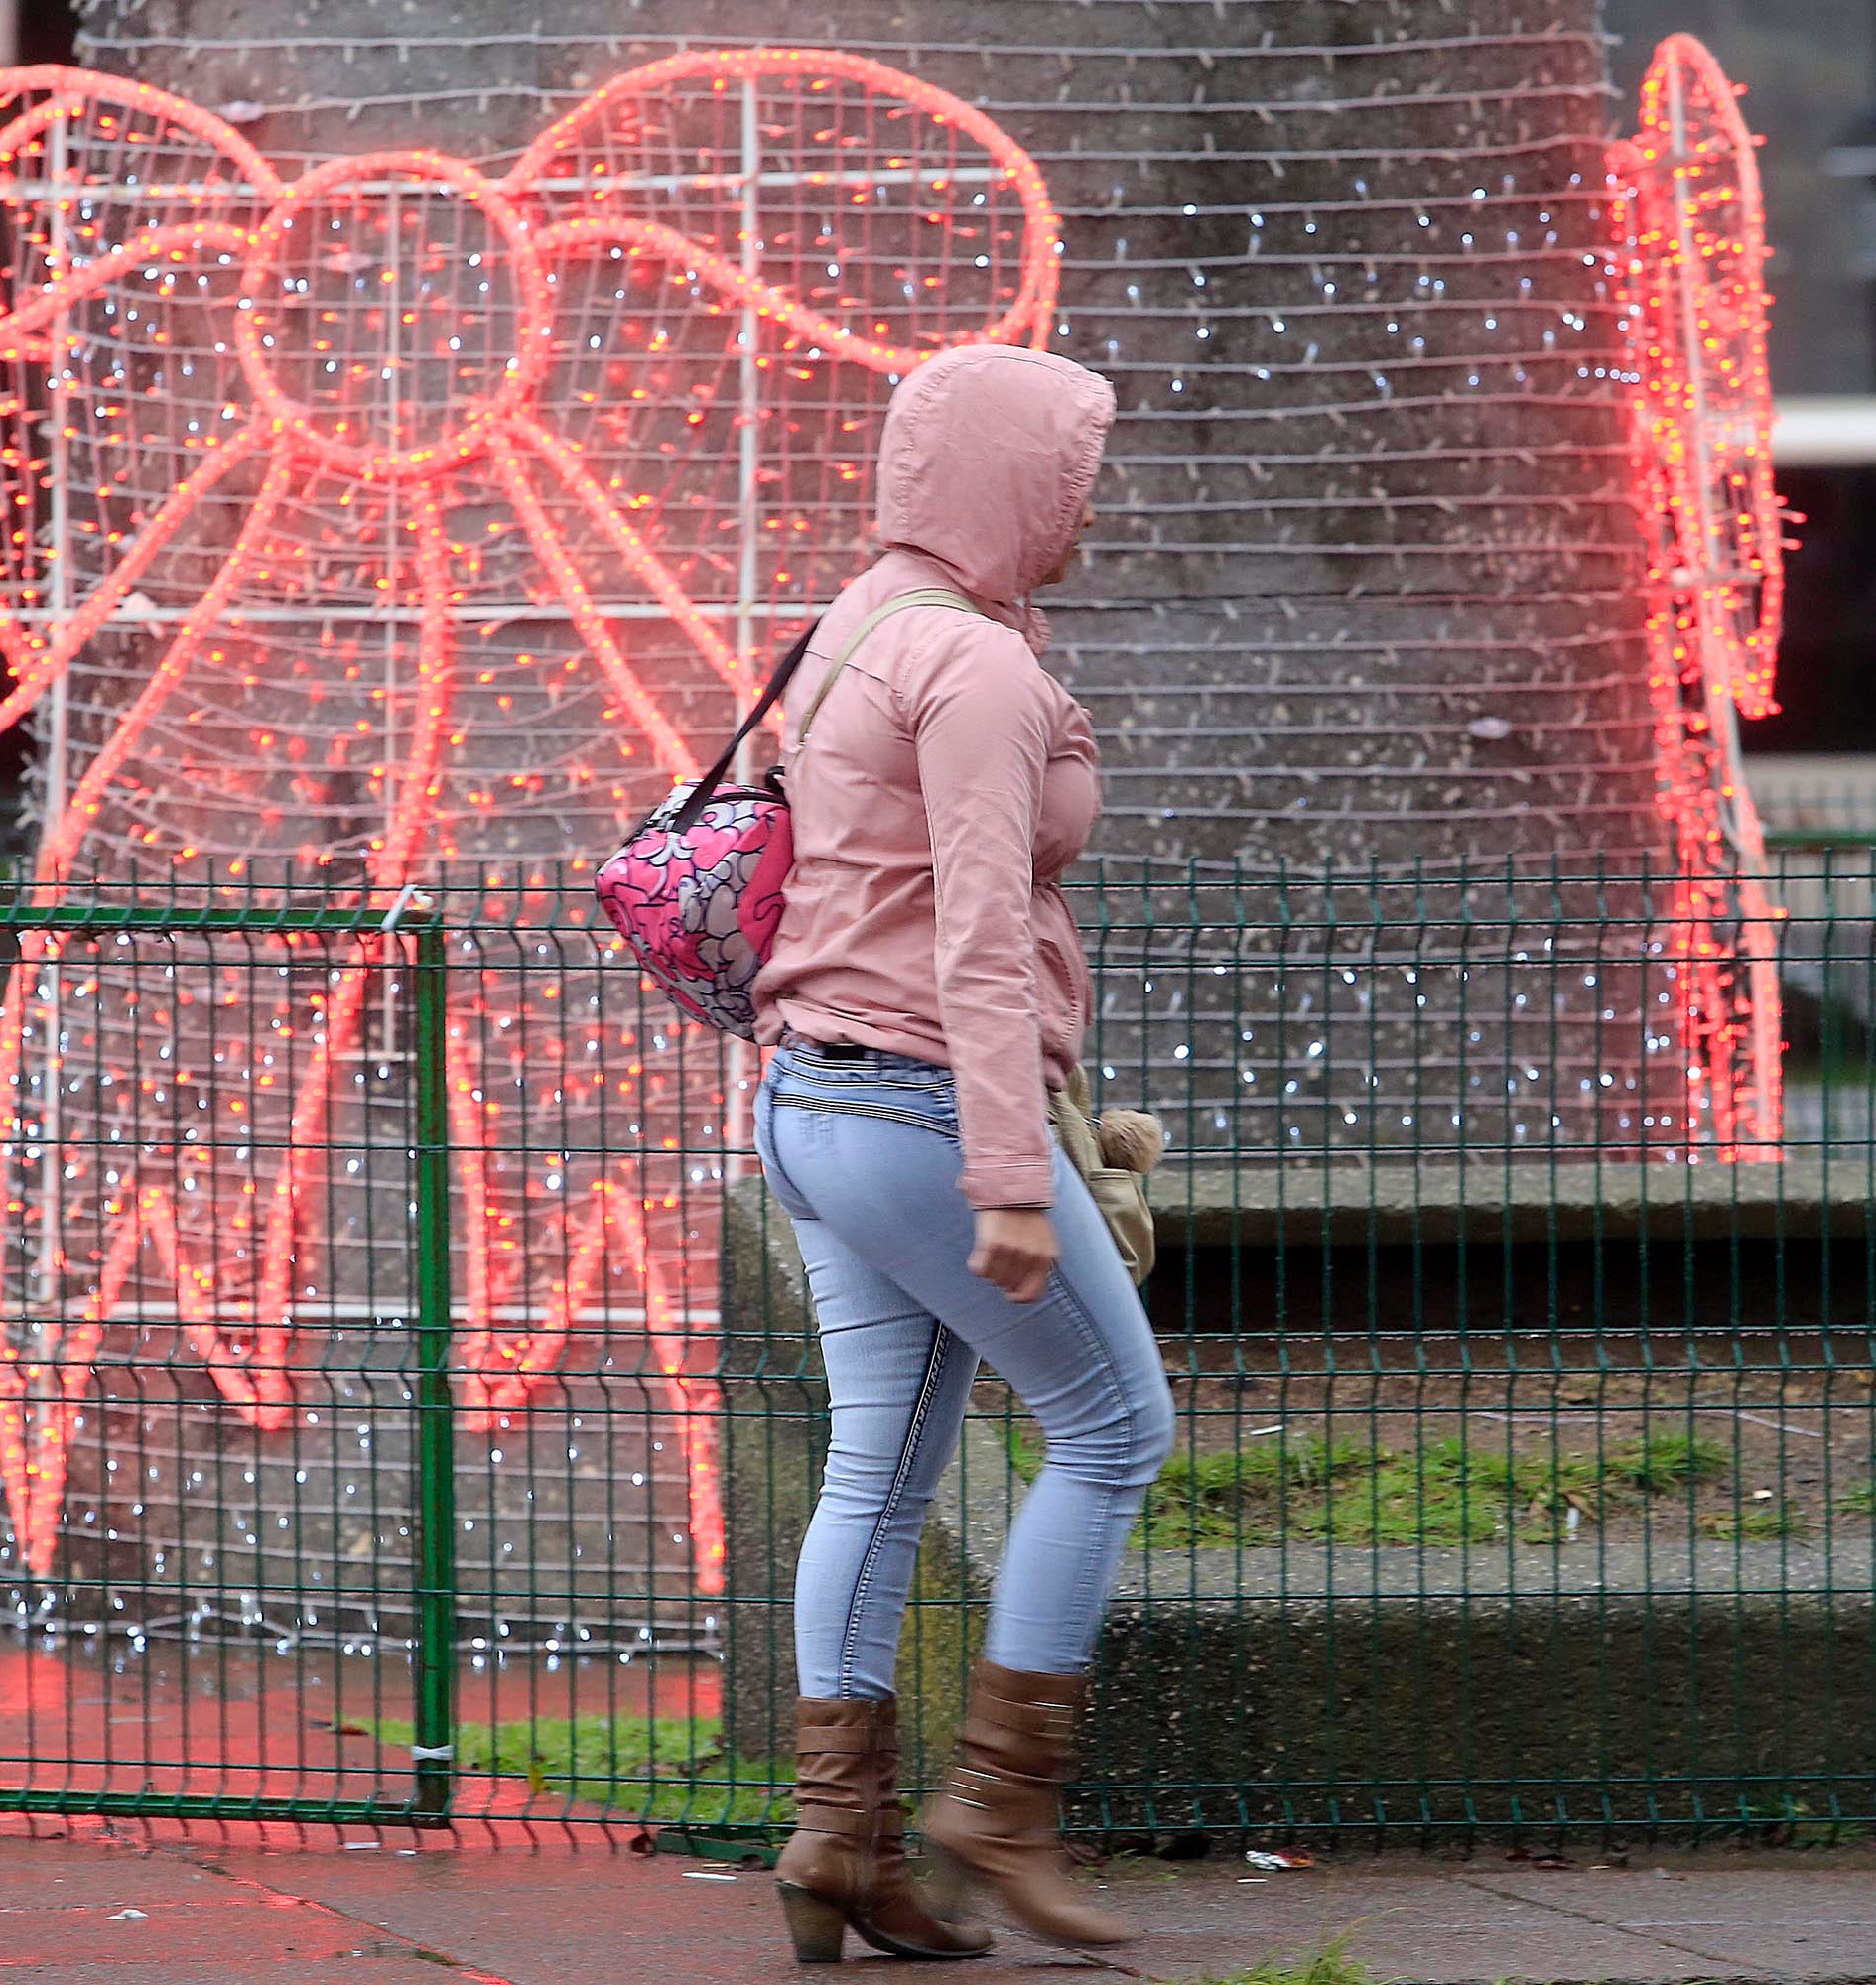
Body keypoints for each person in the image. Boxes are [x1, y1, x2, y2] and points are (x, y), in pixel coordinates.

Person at [750, 342, 1174, 1962]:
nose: (1088, 510)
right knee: (1116, 1428)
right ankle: (1000, 1807)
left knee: (875, 1467)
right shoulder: (978, 669)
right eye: (1073, 475)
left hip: (811, 1103)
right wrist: (1009, 1174)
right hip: (927, 1113)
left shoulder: (856, 624)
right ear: (1009, 478)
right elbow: (979, 937)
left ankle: (838, 1840)